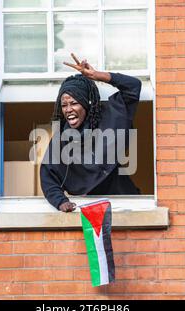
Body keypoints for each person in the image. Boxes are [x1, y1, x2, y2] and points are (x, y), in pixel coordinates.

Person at [40, 53, 142, 212]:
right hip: (89, 211)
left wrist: (97, 75)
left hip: (125, 205)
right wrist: (61, 202)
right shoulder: (62, 138)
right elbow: (48, 178)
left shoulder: (109, 116)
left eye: (74, 103)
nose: (68, 110)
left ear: (87, 103)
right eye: (64, 105)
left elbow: (133, 86)